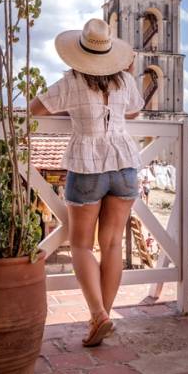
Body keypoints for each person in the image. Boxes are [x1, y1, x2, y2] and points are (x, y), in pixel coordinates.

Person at [30, 18, 144, 346]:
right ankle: (101, 317)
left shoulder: (72, 82)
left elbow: (34, 110)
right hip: (125, 166)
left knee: (80, 244)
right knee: (112, 245)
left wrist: (73, 112)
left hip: (87, 166)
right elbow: (134, 112)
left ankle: (98, 315)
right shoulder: (124, 81)